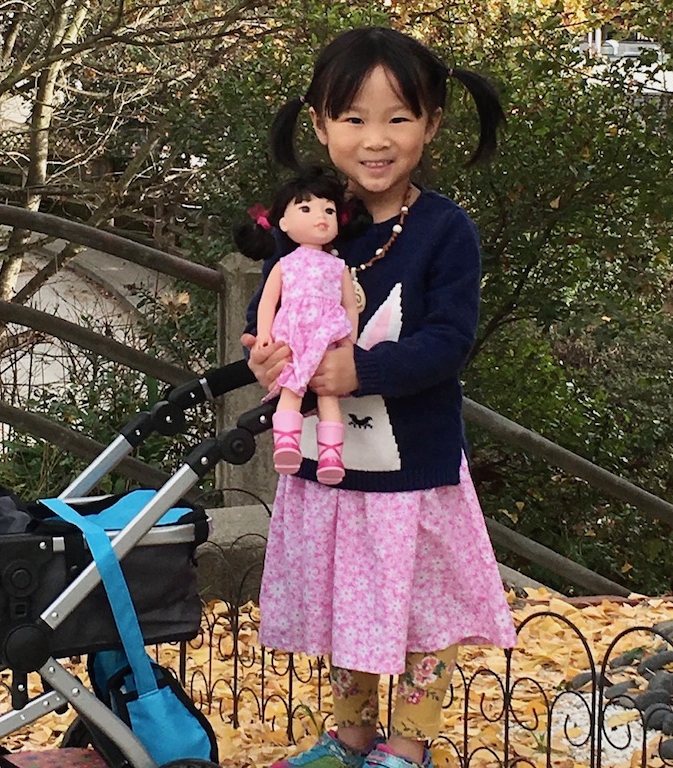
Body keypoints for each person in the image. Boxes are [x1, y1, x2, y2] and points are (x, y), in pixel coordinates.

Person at [240, 26, 519, 768]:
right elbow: (268, 313)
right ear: (321, 124)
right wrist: (264, 355)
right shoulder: (308, 225)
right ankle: (351, 735)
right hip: (334, 468)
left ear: (431, 124)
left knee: (424, 613)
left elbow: (448, 340)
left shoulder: (443, 230)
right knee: (347, 603)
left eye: (398, 118)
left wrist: (362, 372)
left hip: (415, 466)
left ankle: (409, 744)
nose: (376, 139)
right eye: (354, 119)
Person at [234, 166, 367, 485]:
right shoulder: (284, 264)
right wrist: (264, 334)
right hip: (292, 337)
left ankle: (332, 455)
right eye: (305, 208)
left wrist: (350, 342)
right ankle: (286, 444)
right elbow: (267, 302)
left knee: (328, 396)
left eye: (329, 210)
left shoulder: (338, 266)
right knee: (292, 390)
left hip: (326, 337)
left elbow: (349, 305)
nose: (319, 217)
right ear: (283, 222)